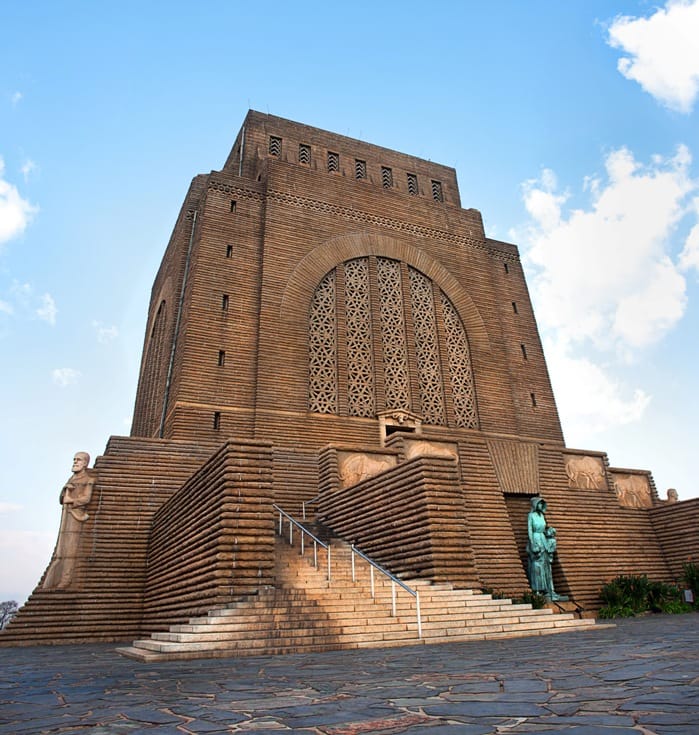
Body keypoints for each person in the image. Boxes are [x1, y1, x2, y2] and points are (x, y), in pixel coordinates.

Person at [42, 452, 96, 589]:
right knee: (62, 549)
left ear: (85, 463)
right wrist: (65, 490)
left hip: (76, 515)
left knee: (71, 548)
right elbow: (62, 498)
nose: (75, 462)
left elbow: (86, 498)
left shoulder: (88, 479)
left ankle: (66, 579)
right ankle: (57, 578)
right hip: (66, 516)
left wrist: (72, 500)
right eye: (74, 459)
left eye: (79, 460)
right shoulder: (71, 479)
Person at [526, 496, 564, 601]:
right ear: (535, 504)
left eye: (542, 504)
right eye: (539, 503)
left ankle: (549, 590)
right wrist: (532, 544)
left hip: (543, 539)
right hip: (535, 538)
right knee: (537, 565)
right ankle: (537, 590)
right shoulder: (531, 515)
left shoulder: (542, 515)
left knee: (546, 565)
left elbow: (544, 529)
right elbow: (529, 530)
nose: (541, 505)